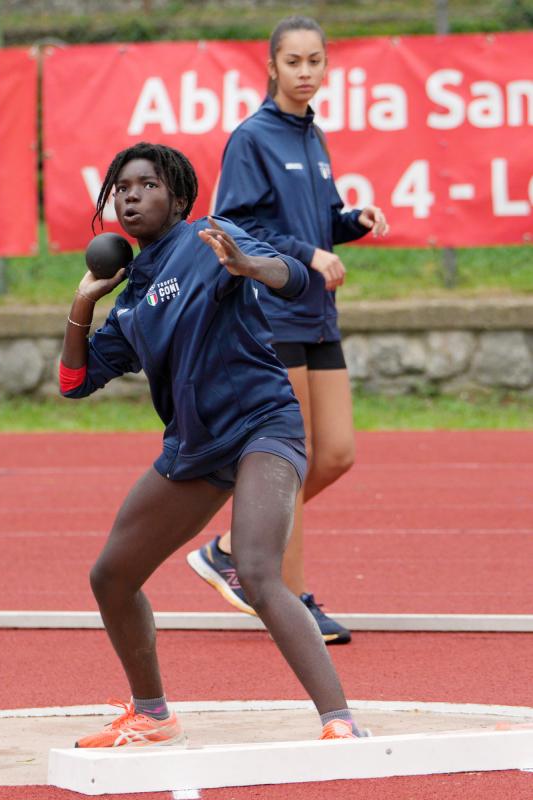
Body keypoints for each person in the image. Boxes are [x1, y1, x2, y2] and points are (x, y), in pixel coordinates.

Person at [60, 141, 365, 747]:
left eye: (146, 184)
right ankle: (152, 713)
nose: (130, 195)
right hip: (195, 449)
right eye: (121, 187)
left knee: (256, 567)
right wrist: (82, 304)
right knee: (111, 577)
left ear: (177, 197)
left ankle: (341, 721)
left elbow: (297, 278)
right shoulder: (131, 304)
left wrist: (252, 267)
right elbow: (74, 383)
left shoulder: (211, 241)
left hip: (263, 426)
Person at [187, 16, 389, 645]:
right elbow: (235, 224)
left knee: (336, 454)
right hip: (275, 313)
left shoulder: (314, 135)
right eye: (293, 62)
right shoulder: (252, 137)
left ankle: (227, 547)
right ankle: (293, 601)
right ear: (271, 67)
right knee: (294, 464)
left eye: (315, 61)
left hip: (318, 313)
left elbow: (319, 218)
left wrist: (351, 220)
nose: (306, 72)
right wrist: (306, 254)